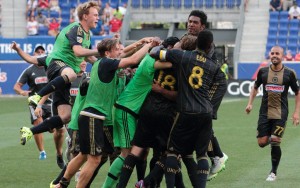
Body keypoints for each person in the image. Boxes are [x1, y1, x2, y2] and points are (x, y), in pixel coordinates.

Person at [55, 37, 159, 188]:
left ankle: (61, 184)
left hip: (89, 116)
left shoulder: (101, 63)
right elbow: (133, 59)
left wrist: (140, 42)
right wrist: (149, 45)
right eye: (117, 48)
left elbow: (126, 54)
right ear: (108, 52)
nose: (120, 50)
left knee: (83, 155)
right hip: (93, 116)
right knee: (94, 160)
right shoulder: (106, 62)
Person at [19, 1, 100, 146]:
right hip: (58, 64)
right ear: (85, 16)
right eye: (95, 15)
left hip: (64, 76)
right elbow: (78, 51)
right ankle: (37, 97)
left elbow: (87, 55)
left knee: (65, 116)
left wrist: (103, 62)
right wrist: (100, 50)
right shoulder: (77, 28)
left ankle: (30, 131)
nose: (98, 18)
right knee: (72, 75)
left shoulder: (88, 35)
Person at [150, 30, 221, 188]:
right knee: (202, 154)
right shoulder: (213, 66)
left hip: (186, 111)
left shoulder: (183, 56)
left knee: (172, 151)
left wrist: (161, 46)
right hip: (205, 113)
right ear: (210, 46)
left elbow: (155, 53)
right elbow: (219, 84)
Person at [184, 9, 228, 180]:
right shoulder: (188, 39)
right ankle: (215, 156)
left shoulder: (206, 43)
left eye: (195, 22)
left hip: (214, 85)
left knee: (201, 119)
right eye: (189, 21)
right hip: (202, 87)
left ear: (202, 26)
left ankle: (217, 156)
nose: (191, 24)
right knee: (199, 120)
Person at [245, 45, 300, 181]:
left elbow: (298, 92)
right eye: (272, 53)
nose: (274, 55)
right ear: (270, 55)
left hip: (281, 113)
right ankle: (272, 137)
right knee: (262, 142)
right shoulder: (263, 71)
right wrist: (250, 103)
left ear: (282, 56)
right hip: (264, 112)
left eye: (277, 53)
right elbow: (255, 87)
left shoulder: (289, 73)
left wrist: (296, 113)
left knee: (275, 141)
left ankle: (273, 172)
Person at [13, 46, 51, 160]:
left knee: (53, 128)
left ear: (45, 53)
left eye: (42, 52)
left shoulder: (50, 67)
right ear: (33, 54)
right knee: (38, 123)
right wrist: (22, 92)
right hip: (34, 102)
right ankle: (42, 151)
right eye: (37, 52)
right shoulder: (29, 70)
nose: (40, 53)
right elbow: (16, 86)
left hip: (50, 102)